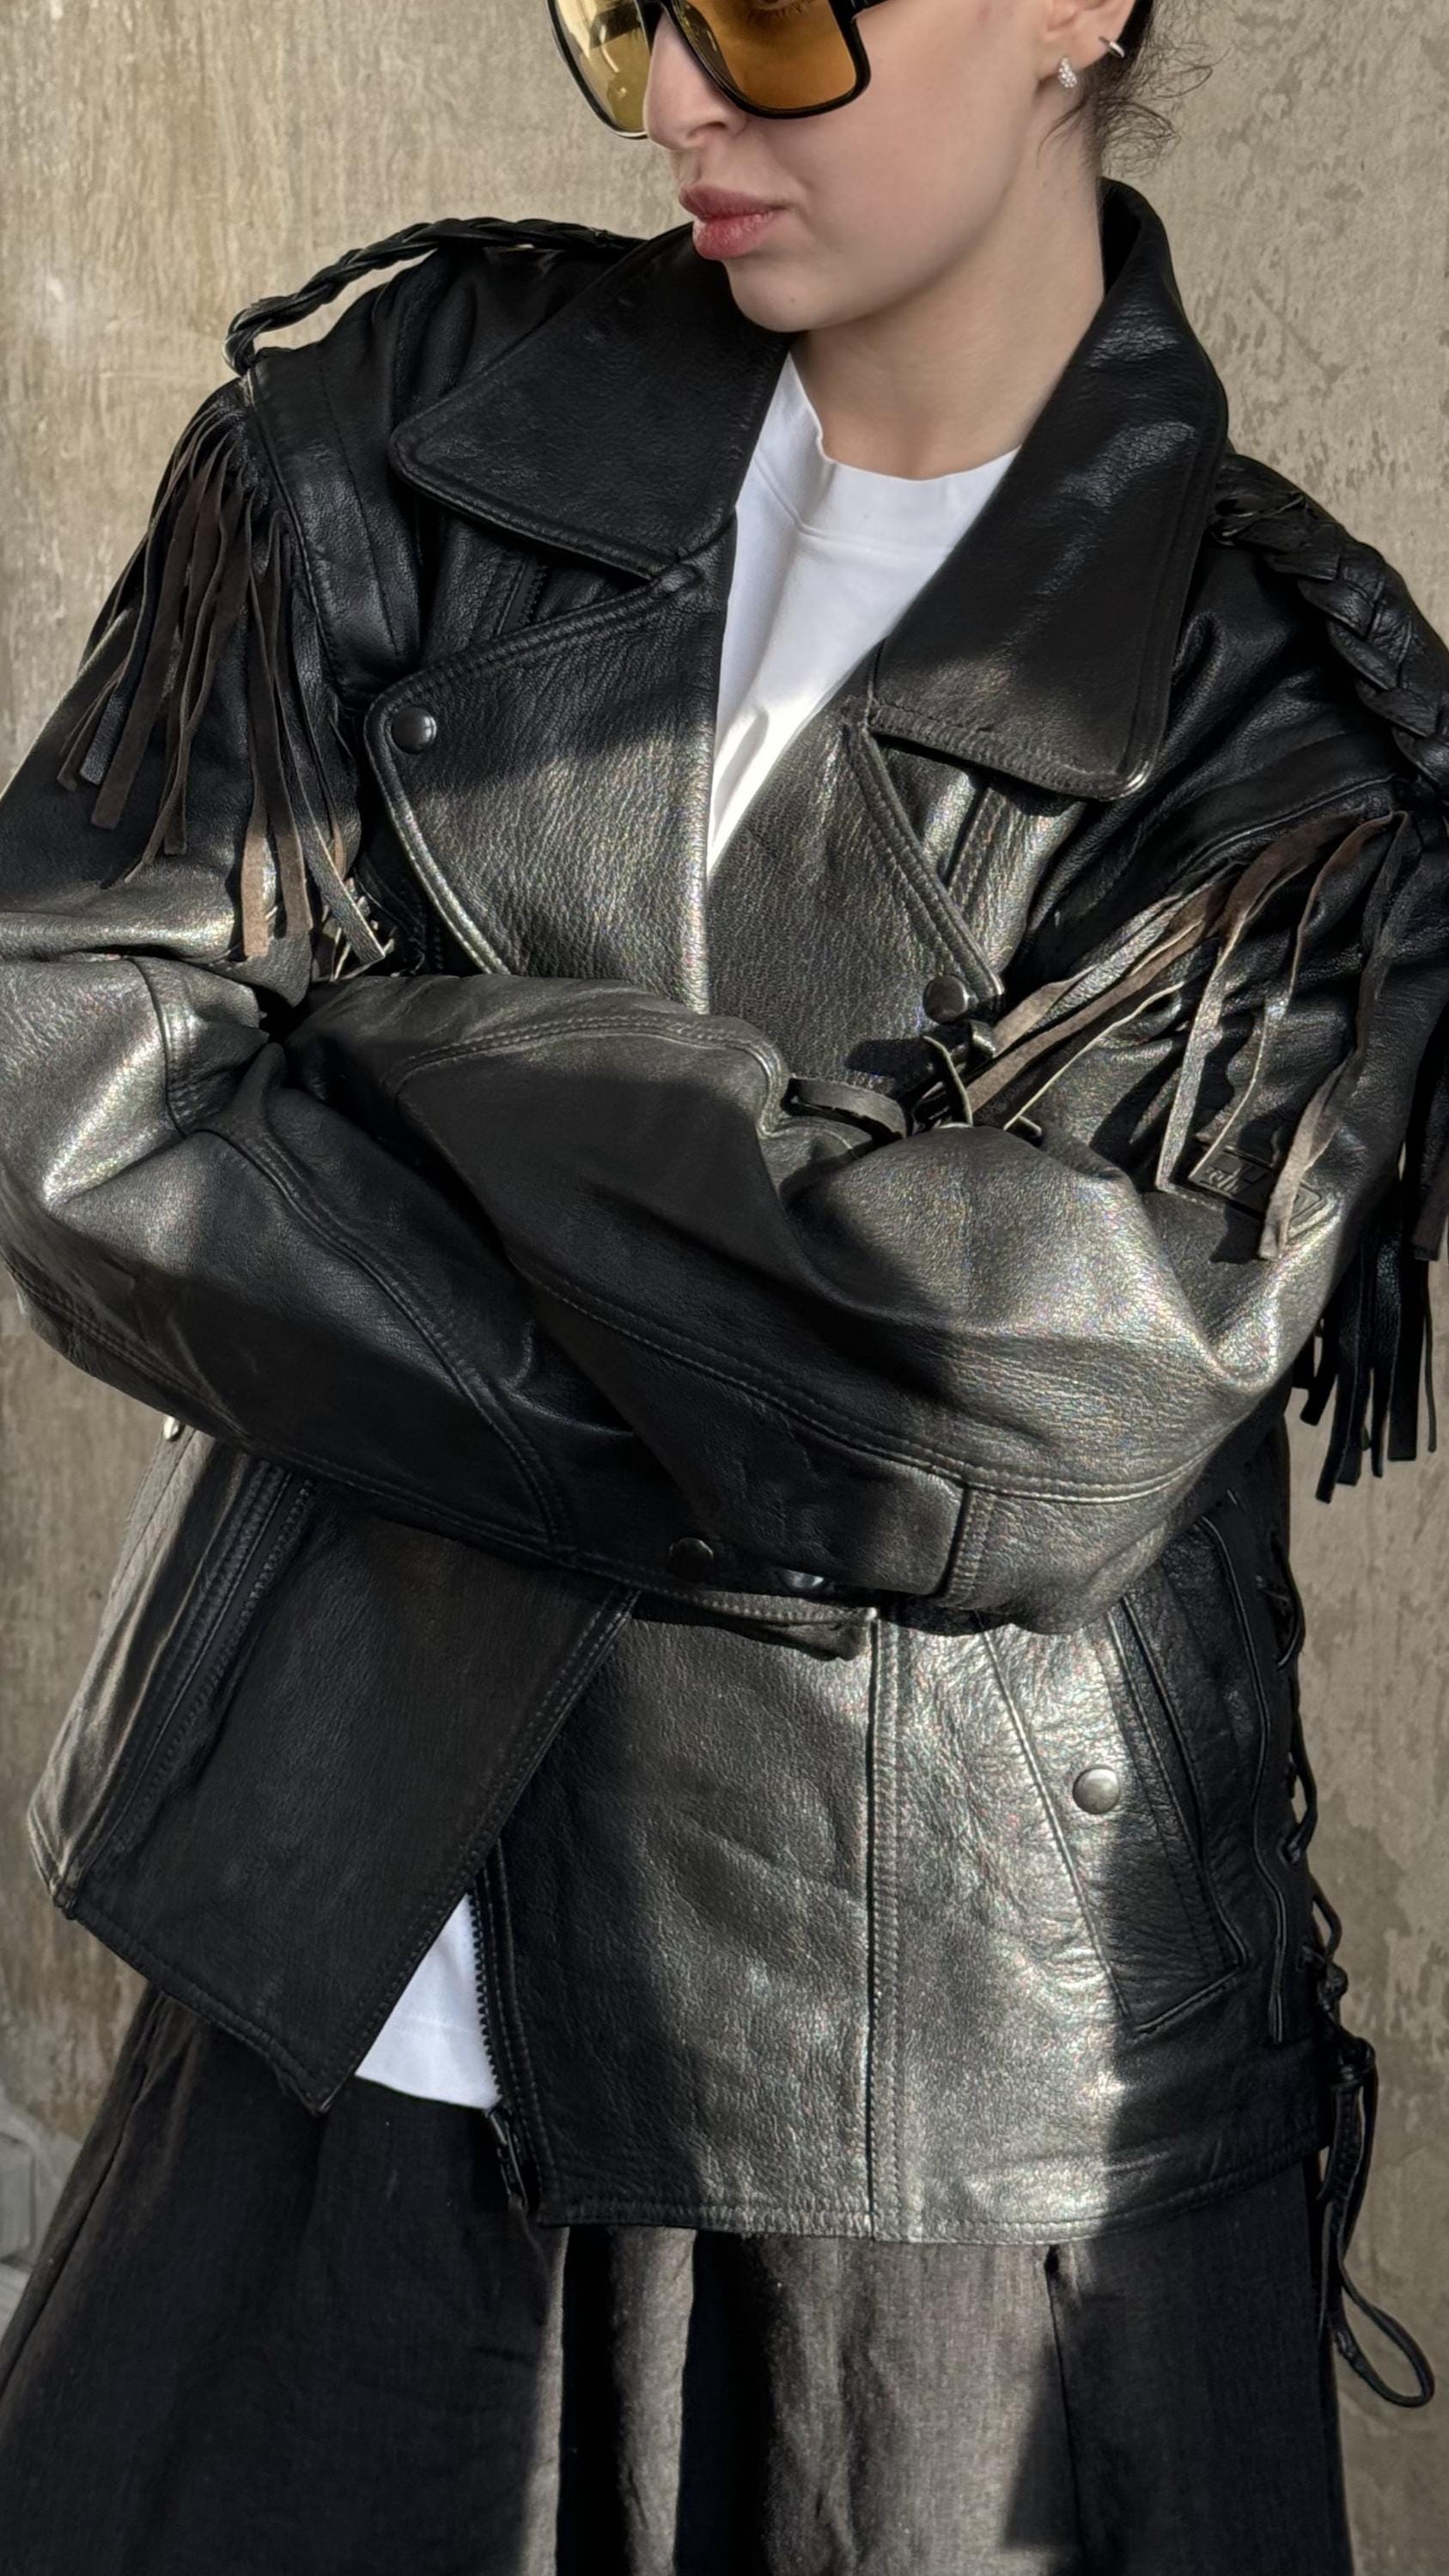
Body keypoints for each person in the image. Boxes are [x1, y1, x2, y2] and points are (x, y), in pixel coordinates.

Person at [0, 0, 1441, 2567]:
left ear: (1073, 13)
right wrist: (726, 1390)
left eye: (775, 17)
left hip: (952, 2120)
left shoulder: (1287, 731)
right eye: (620, 12)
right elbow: (73, 1065)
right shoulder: (405, 434)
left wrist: (404, 1055)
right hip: (344, 1998)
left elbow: (1023, 1429)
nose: (679, 105)